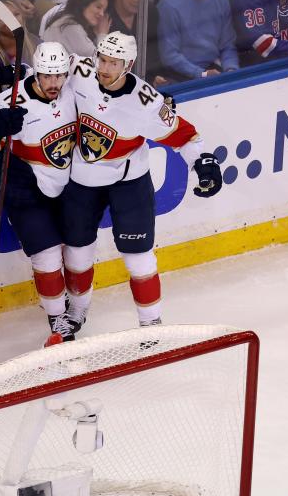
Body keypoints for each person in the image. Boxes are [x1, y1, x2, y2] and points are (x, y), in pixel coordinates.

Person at [60, 31, 222, 331]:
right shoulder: (80, 70)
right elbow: (47, 70)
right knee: (76, 252)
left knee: (139, 258)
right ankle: (76, 312)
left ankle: (151, 323)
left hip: (129, 182)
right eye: (103, 59)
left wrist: (203, 161)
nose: (105, 68)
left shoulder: (146, 101)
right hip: (83, 178)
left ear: (129, 64)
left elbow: (183, 134)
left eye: (113, 62)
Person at [0, 42, 78, 343]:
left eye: (59, 76)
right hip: (26, 189)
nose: (54, 83)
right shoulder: (9, 101)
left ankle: (67, 304)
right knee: (46, 257)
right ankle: (58, 321)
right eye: (47, 76)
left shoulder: (73, 89)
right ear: (38, 74)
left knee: (75, 253)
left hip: (68, 186)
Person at [157, 0, 238, 81]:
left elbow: (227, 45)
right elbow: (169, 55)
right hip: (182, 76)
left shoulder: (221, 0)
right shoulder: (168, 5)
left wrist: (231, 69)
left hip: (215, 70)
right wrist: (201, 74)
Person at [40, 0, 110, 58]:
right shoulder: (71, 26)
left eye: (104, 10)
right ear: (84, 3)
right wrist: (102, 35)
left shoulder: (67, 21)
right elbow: (101, 60)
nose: (102, 14)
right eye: (98, 7)